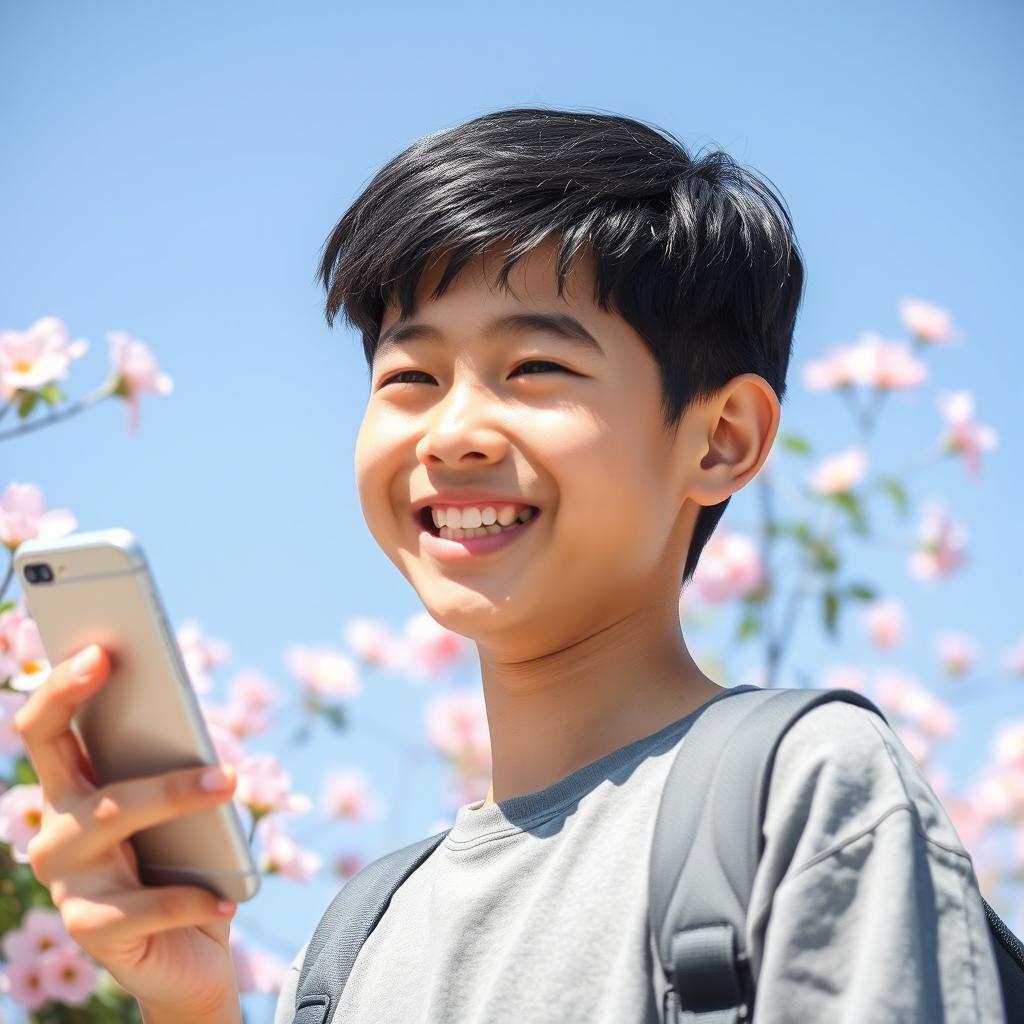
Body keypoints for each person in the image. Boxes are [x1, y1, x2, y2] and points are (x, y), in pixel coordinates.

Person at [15, 107, 1007, 1024]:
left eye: (536, 367)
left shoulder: (797, 791)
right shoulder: (352, 940)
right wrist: (190, 1004)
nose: (452, 433)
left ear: (720, 439)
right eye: (409, 376)